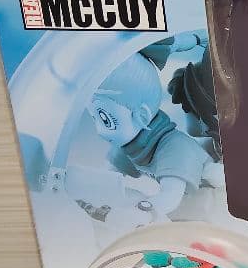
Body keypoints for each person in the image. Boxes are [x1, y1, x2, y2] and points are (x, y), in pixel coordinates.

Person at [81, 53, 209, 229]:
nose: (99, 130)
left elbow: (170, 195)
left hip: (209, 212)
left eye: (105, 120)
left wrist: (141, 212)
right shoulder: (129, 144)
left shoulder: (177, 148)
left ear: (141, 115)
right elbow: (109, 179)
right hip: (180, 215)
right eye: (93, 117)